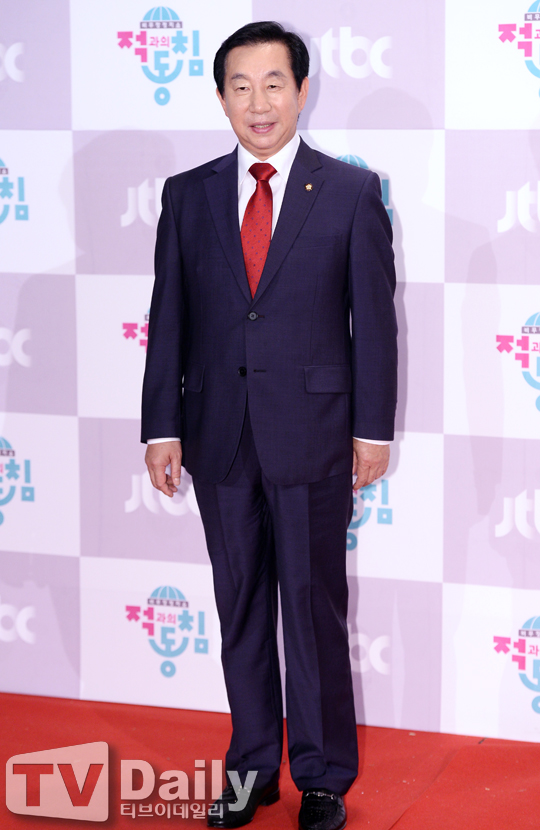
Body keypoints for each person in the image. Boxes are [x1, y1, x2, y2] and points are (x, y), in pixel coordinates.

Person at [142, 21, 397, 830]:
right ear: (222, 97)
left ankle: (322, 777)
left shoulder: (351, 192)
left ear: (302, 90)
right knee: (241, 606)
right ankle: (251, 768)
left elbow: (374, 325)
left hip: (314, 434)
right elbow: (169, 318)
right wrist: (160, 426)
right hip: (217, 435)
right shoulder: (187, 195)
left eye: (274, 83)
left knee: (313, 610)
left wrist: (373, 430)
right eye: (241, 86)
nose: (259, 102)